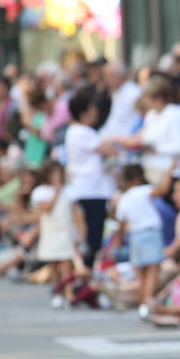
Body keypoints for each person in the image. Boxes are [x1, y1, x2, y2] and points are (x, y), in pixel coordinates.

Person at [64, 90, 117, 268]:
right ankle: (86, 271)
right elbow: (109, 150)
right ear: (84, 112)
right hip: (91, 190)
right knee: (92, 236)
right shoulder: (82, 131)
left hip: (86, 188)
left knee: (90, 235)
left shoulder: (76, 131)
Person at [114, 164, 165, 318]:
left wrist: (118, 242)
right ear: (137, 178)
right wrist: (170, 170)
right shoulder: (142, 190)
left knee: (141, 274)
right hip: (150, 232)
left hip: (135, 236)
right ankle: (146, 304)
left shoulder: (124, 199)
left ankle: (143, 304)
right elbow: (162, 190)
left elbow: (121, 224)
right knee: (152, 271)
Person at [31, 162, 79, 309]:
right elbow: (46, 208)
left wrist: (80, 231)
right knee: (53, 264)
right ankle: (58, 292)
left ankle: (69, 293)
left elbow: (75, 212)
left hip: (65, 230)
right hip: (50, 231)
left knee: (66, 263)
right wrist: (56, 192)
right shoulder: (40, 191)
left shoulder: (69, 190)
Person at [99, 62, 142, 141]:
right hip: (111, 138)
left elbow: (138, 122)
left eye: (108, 76)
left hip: (125, 142)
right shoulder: (116, 92)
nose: (105, 80)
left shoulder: (134, 93)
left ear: (119, 76)